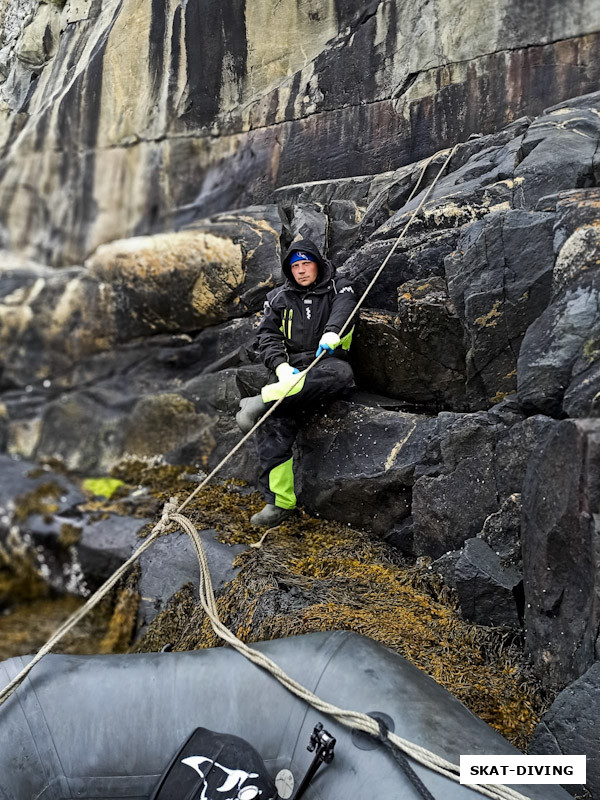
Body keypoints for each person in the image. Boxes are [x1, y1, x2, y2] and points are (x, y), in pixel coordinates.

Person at [236, 238, 357, 526]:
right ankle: (279, 503)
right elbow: (267, 336)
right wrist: (280, 367)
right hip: (290, 369)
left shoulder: (340, 284)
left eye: (306, 264)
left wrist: (332, 332)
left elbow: (346, 308)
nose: (301, 271)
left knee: (341, 375)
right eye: (295, 266)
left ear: (317, 263)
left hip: (326, 360)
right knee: (275, 423)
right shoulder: (279, 297)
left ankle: (261, 400)